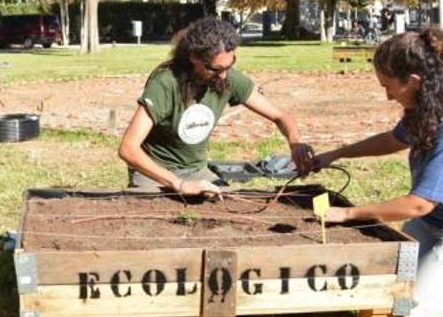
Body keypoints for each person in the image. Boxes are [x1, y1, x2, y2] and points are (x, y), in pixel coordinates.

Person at [310, 29, 443, 317]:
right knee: (378, 285)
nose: (387, 96)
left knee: (405, 311)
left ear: (413, 80)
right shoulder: (427, 107)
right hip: (434, 225)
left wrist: (347, 215)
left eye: (388, 87)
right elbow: (392, 140)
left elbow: (419, 204)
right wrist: (335, 154)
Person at [118, 17, 312, 194]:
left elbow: (280, 116)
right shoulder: (165, 83)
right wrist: (178, 184)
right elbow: (128, 149)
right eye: (215, 69)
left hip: (197, 171)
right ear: (194, 58)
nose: (224, 75)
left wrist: (295, 143)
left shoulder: (226, 77)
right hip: (154, 175)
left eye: (230, 65)